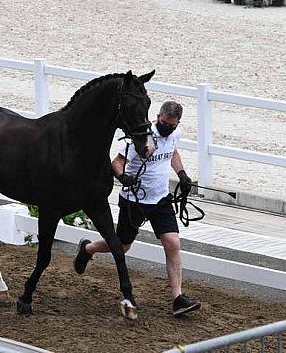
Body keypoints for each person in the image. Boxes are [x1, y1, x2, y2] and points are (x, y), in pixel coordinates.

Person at [73, 101, 200, 317]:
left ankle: (178, 298)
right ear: (157, 117)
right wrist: (123, 177)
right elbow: (117, 162)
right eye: (163, 123)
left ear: (178, 123)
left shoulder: (174, 134)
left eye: (171, 125)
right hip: (135, 199)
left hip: (160, 199)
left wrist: (181, 173)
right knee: (122, 246)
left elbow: (173, 153)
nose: (166, 128)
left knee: (172, 243)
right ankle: (88, 249)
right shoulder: (141, 136)